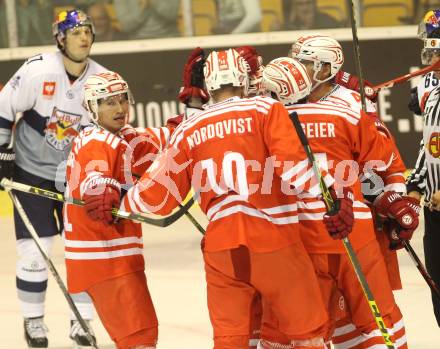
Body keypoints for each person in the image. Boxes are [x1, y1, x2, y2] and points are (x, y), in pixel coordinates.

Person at [116, 48, 331, 348]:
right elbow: (297, 172)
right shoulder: (265, 110)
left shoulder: (189, 127)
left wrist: (120, 200)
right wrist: (331, 193)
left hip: (221, 250)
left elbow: (156, 197)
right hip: (274, 240)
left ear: (208, 86)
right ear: (244, 78)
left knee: (229, 339)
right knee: (307, 334)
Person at [261, 57, 419, 348]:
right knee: (378, 322)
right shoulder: (345, 114)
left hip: (298, 239)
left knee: (300, 332)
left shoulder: (264, 127)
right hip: (353, 232)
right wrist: (392, 199)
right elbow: (384, 161)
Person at [0, 9, 106, 348]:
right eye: (75, 32)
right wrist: (2, 152)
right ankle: (34, 322)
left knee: (85, 253)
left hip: (75, 179)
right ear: (60, 37)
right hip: (32, 174)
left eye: (87, 31)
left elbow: (111, 132)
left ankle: (82, 322)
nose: (84, 37)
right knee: (34, 252)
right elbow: (3, 108)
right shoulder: (37, 70)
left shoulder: (102, 79)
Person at [64, 70, 172, 349]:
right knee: (139, 339)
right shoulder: (95, 140)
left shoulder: (123, 136)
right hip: (104, 257)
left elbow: (167, 137)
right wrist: (101, 189)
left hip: (116, 255)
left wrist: (198, 107)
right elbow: (94, 178)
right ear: (92, 108)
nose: (120, 108)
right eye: (109, 102)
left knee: (143, 334)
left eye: (123, 100)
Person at [407, 8, 440, 327]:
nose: (429, 52)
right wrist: (415, 186)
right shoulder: (433, 96)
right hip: (435, 211)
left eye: (434, 45)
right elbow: (427, 148)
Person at [113, 0, 180, 39]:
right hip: (136, 43)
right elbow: (126, 26)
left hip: (169, 39)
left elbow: (172, 15)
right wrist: (142, 8)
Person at [272, 0, 343, 31]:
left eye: (308, 3)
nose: (305, 8)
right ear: (294, 8)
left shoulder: (327, 21)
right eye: (300, 4)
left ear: (314, 5)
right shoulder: (288, 27)